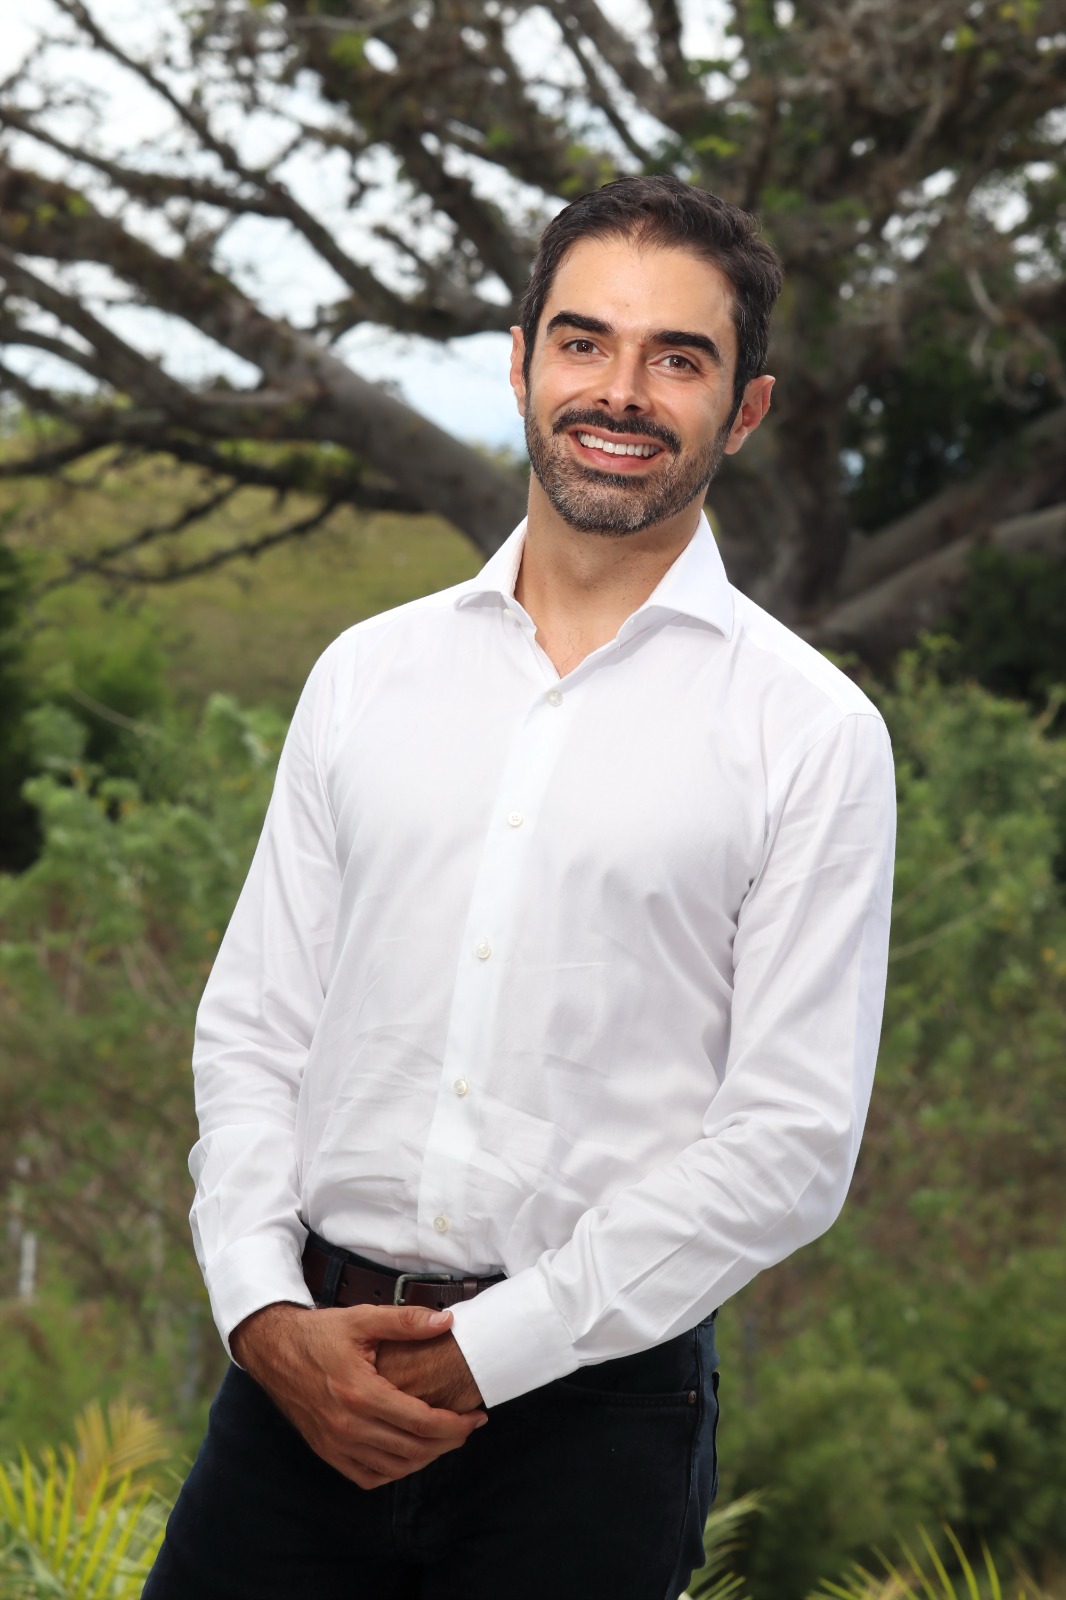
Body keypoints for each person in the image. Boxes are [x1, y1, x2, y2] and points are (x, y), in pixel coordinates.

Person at [143, 175, 895, 1600]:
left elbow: (790, 1141)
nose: (621, 392)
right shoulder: (365, 674)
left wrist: (492, 1351)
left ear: (744, 409)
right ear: (520, 362)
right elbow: (254, 1029)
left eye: (678, 358)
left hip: (593, 1425)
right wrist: (258, 1309)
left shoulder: (811, 734)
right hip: (296, 1383)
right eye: (584, 341)